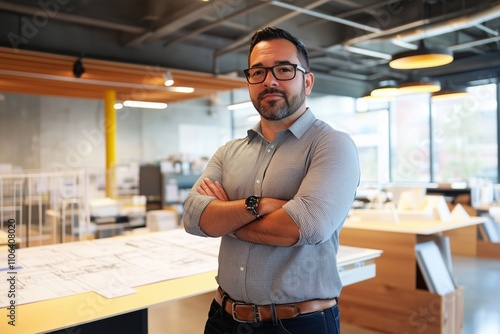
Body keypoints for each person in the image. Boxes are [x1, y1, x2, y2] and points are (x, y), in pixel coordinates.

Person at [183, 26, 360, 334]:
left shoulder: (332, 145)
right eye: (258, 72)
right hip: (222, 319)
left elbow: (305, 226)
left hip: (296, 324)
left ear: (307, 81)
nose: (270, 81)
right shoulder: (229, 152)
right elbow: (193, 218)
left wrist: (226, 217)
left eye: (283, 69)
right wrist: (259, 206)